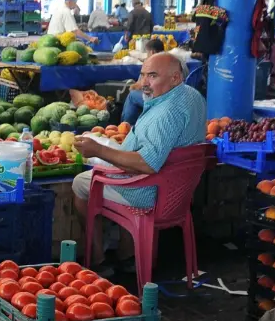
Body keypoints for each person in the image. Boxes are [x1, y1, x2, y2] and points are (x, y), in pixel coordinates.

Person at [72, 52, 206, 273]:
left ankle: (98, 261)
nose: (144, 83)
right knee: (125, 169)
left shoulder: (166, 112)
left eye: (152, 76)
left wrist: (98, 150)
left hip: (149, 192)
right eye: (142, 75)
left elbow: (147, 163)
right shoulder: (192, 96)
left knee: (81, 183)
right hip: (178, 192)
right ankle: (127, 255)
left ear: (175, 78)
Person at [119, 39, 165, 125]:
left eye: (147, 53)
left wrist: (133, 87)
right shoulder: (172, 60)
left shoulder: (154, 62)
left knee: (132, 95)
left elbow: (141, 85)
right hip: (174, 97)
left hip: (160, 100)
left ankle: (125, 126)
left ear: (152, 52)